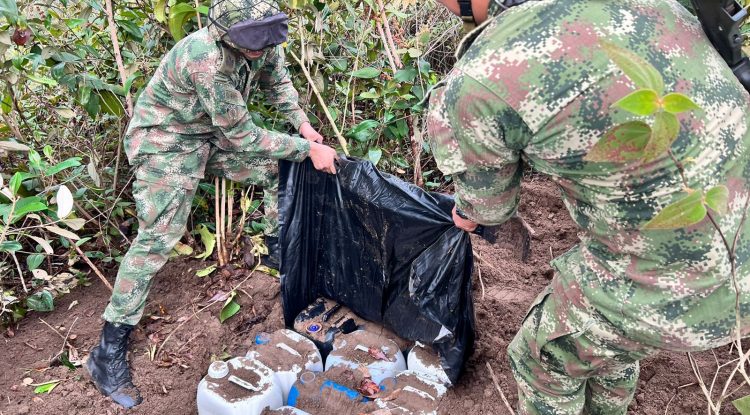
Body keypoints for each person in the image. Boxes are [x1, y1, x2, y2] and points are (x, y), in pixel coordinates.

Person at [427, 0, 750, 413]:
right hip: (735, 248)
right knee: (607, 346)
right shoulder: (650, 4)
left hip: (684, 291)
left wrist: (466, 214)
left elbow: (489, 210)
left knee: (543, 357)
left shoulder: (482, 75)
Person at [84, 0, 338, 408]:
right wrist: (306, 149)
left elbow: (279, 83)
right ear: (226, 33)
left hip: (208, 133)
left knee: (281, 170)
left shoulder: (263, 39)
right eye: (251, 42)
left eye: (265, 39)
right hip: (165, 140)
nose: (260, 48)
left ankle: (277, 252)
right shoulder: (205, 59)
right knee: (157, 239)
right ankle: (107, 349)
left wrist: (304, 125)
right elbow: (244, 137)